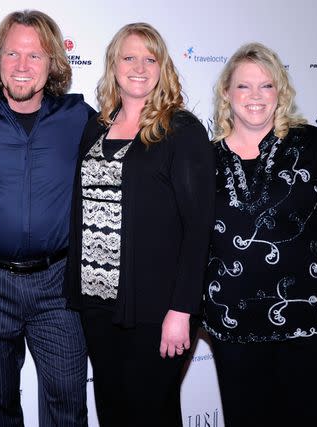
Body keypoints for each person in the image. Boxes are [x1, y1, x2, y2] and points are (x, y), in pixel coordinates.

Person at [202, 42, 317, 427]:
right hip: (234, 330)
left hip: (313, 324)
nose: (255, 97)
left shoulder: (316, 146)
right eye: (244, 87)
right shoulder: (205, 159)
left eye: (266, 86)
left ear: (281, 92)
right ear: (226, 94)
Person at [63, 23, 214, 426]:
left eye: (151, 59)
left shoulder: (180, 130)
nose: (140, 67)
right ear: (114, 64)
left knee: (152, 412)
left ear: (163, 68)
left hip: (156, 305)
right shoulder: (96, 126)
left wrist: (182, 309)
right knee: (112, 409)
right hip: (97, 303)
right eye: (129, 57)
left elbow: (199, 227)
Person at [0, 10, 95, 426]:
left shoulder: (79, 117)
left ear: (53, 63)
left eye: (34, 56)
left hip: (59, 283)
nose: (21, 66)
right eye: (12, 54)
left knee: (68, 404)